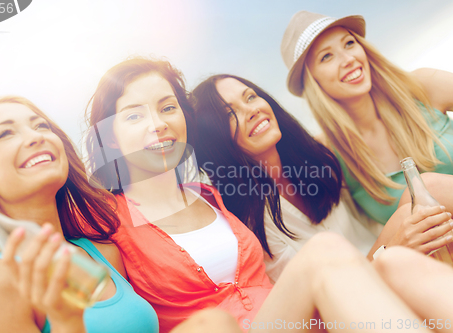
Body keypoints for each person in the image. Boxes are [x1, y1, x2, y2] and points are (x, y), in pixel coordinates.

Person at [84, 57, 453, 333]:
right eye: (134, 116)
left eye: (168, 107)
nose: (158, 123)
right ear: (111, 138)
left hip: (291, 321)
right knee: (328, 251)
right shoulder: (108, 221)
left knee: (396, 261)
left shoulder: (213, 195)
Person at [189, 74, 453, 280]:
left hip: (397, 264)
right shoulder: (244, 219)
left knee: (423, 191)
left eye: (250, 97)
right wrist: (390, 249)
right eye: (229, 113)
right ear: (216, 139)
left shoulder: (314, 160)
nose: (252, 110)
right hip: (353, 304)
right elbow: (316, 307)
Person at [0, 96, 159, 333]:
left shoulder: (105, 252)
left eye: (41, 126)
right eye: (5, 134)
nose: (35, 137)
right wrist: (66, 321)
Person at [280, 11, 453, 234]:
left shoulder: (423, 86)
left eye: (349, 43)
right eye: (327, 56)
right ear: (312, 81)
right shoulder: (328, 153)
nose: (348, 59)